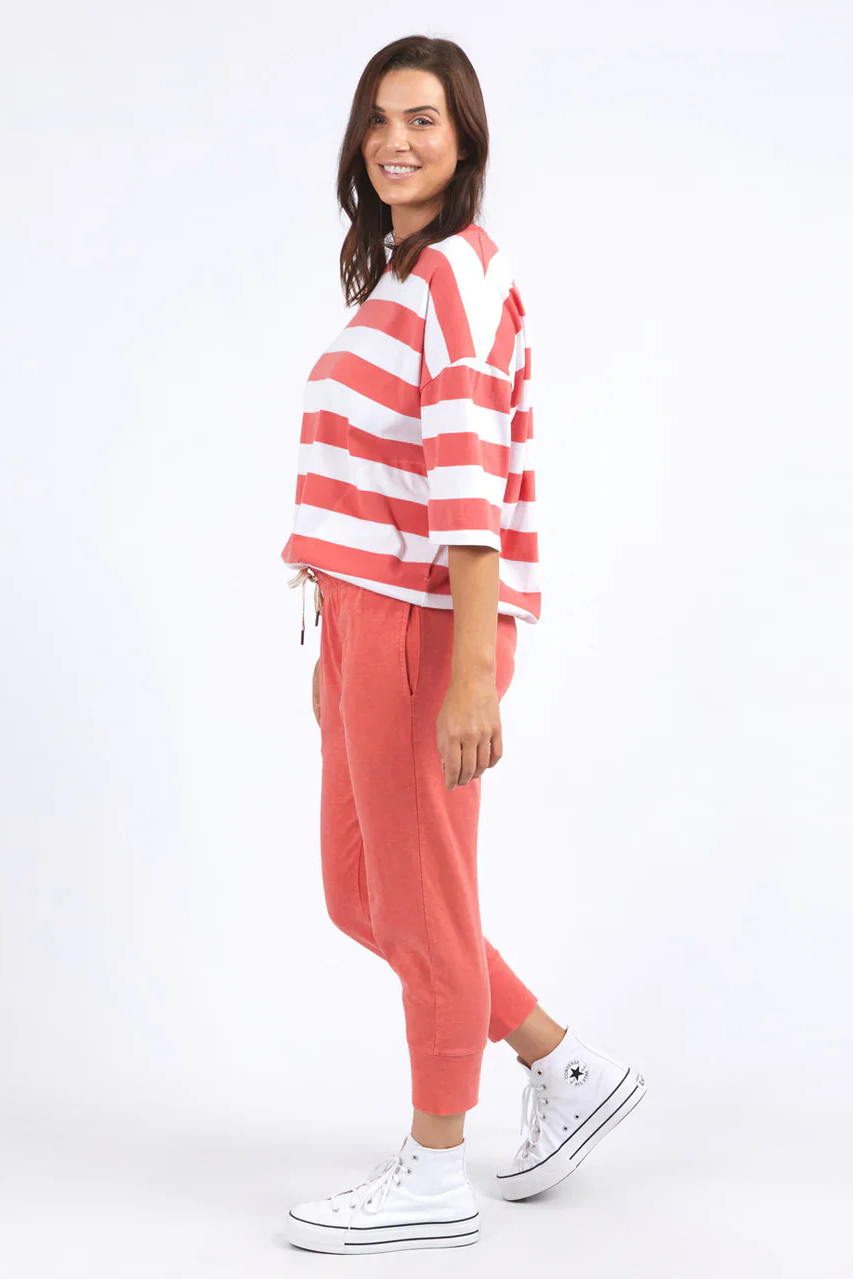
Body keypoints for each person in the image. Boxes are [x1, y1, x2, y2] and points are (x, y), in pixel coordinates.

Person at [280, 34, 646, 1256]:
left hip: (425, 625)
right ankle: (564, 1064)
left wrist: (474, 674)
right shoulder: (399, 277)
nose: (396, 140)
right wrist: (336, 638)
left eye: (423, 119)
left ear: (464, 138)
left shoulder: (458, 274)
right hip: (360, 617)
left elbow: (466, 485)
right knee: (360, 893)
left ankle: (436, 1165)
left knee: (427, 898)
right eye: (380, 118)